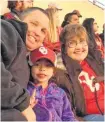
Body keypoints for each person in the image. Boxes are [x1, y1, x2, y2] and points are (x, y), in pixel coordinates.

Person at [1, 7, 49, 121]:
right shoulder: (6, 29)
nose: (38, 32)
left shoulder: (28, 60)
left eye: (43, 30)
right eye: (34, 23)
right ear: (19, 20)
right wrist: (23, 104)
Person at [59, 24, 104, 121]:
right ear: (64, 47)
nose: (79, 47)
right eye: (72, 43)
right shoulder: (61, 71)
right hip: (88, 117)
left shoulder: (93, 61)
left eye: (82, 42)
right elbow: (65, 109)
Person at [27, 46, 78, 121]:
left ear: (53, 72)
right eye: (37, 64)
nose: (42, 69)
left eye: (48, 66)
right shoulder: (25, 91)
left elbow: (68, 117)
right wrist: (28, 108)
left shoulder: (60, 93)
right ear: (30, 68)